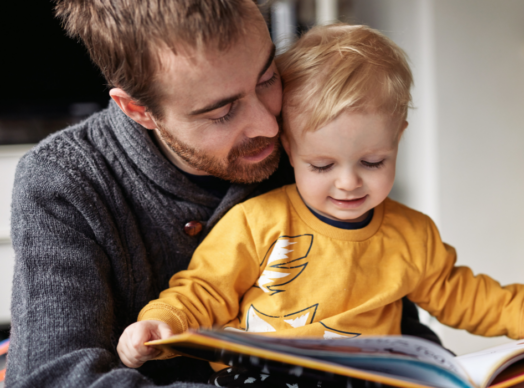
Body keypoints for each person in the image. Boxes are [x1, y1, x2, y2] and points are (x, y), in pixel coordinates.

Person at [116, 24, 524, 387]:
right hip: (267, 376)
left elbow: (462, 293)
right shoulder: (258, 221)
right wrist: (163, 324)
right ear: (287, 146)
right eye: (322, 166)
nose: (348, 183)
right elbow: (205, 292)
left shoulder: (412, 234)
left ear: (398, 138)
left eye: (372, 160)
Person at [6, 1, 439, 387]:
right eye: (223, 111)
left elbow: (393, 319)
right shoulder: (64, 180)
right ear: (139, 111)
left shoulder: (314, 149)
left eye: (268, 76)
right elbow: (56, 374)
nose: (271, 126)